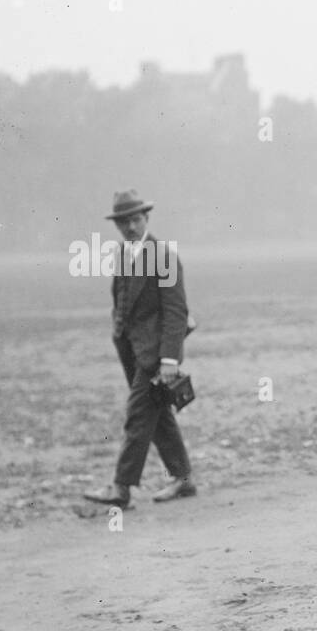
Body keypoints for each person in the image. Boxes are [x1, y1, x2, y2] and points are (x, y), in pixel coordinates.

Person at [83, 189, 196, 508]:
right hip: (131, 350)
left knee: (137, 417)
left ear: (146, 218)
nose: (130, 227)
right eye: (123, 222)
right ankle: (184, 479)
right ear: (117, 225)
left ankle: (121, 488)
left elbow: (176, 311)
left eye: (135, 220)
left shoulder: (164, 257)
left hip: (156, 355)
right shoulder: (122, 253)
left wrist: (169, 359)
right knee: (158, 417)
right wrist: (118, 330)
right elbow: (120, 298)